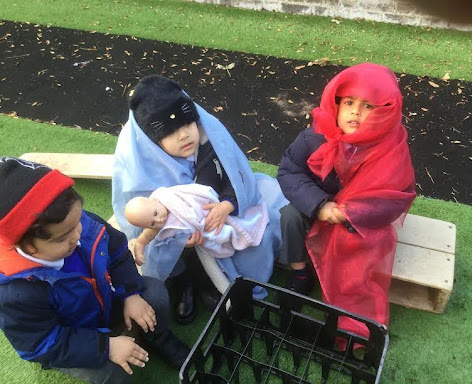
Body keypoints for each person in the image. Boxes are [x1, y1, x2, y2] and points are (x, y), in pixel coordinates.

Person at [112, 75, 287, 324]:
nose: (184, 136)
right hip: (175, 231)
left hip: (216, 216)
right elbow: (141, 217)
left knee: (261, 230)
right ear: (153, 140)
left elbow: (234, 173)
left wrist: (228, 203)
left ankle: (212, 282)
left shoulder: (208, 139)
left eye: (187, 125)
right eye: (170, 133)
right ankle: (184, 281)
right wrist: (177, 238)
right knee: (169, 250)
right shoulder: (140, 161)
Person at [0, 157, 190, 384]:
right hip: (76, 335)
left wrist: (130, 293)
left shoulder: (79, 222)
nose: (77, 236)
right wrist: (105, 346)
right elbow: (40, 344)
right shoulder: (14, 291)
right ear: (26, 245)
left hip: (109, 302)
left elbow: (118, 251)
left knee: (154, 293)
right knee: (111, 374)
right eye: (63, 237)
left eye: (78, 221)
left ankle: (159, 338)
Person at [277, 63, 416, 345]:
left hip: (356, 220)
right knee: (289, 216)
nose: (355, 111)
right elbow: (289, 171)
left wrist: (353, 213)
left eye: (368, 106)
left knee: (361, 247)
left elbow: (394, 196)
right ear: (335, 104)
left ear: (385, 111)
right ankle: (300, 272)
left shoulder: (391, 147)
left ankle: (351, 291)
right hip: (319, 208)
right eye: (349, 102)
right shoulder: (315, 137)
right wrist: (319, 205)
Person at [124, 184, 268, 265]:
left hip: (206, 212)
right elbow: (145, 238)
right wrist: (139, 246)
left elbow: (195, 193)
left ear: (154, 201)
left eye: (156, 214)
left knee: (229, 226)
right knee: (217, 238)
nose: (159, 221)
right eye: (152, 223)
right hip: (201, 236)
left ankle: (239, 233)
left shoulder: (169, 198)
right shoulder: (156, 227)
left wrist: (201, 217)